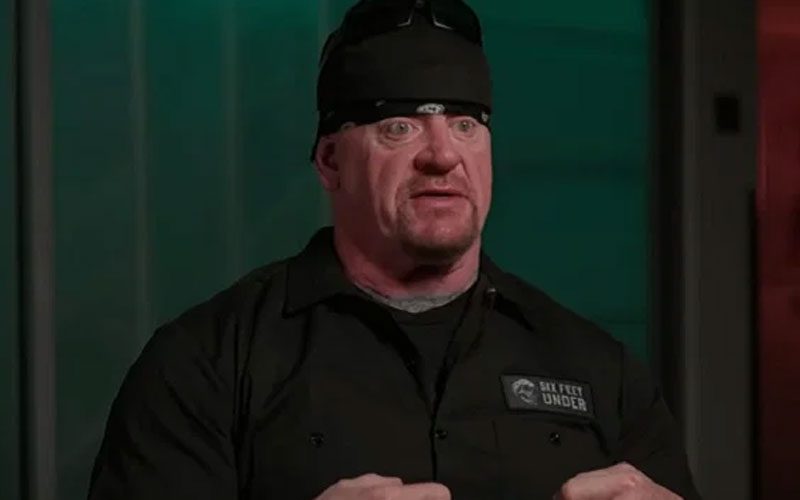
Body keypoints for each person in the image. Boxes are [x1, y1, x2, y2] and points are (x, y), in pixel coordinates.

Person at [88, 1, 701, 499]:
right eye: (399, 126)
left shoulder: (600, 370)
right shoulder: (206, 365)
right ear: (331, 161)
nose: (443, 154)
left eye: (465, 124)